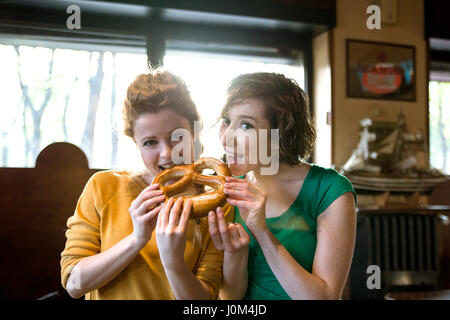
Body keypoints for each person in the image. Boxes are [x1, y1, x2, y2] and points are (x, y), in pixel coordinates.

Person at [60, 70, 233, 300]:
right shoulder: (103, 187)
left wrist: (173, 262)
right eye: (150, 142)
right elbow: (74, 283)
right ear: (136, 143)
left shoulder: (215, 203)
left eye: (176, 137)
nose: (167, 154)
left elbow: (205, 300)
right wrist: (137, 239)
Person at [208, 72, 357, 300]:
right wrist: (234, 254)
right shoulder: (226, 190)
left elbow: (325, 298)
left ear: (281, 134)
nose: (227, 138)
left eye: (246, 125)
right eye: (227, 121)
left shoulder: (330, 191)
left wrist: (262, 232)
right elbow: (231, 298)